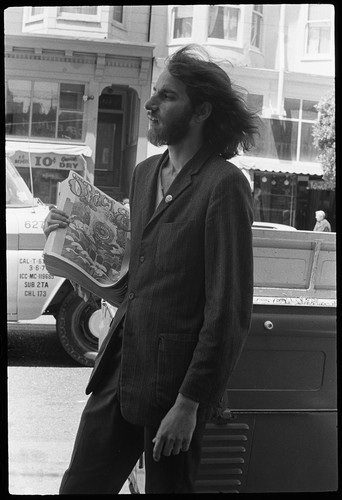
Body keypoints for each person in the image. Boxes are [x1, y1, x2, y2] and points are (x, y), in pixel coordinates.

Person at [43, 44, 259, 494]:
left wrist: (190, 403)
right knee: (78, 487)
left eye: (167, 96)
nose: (151, 104)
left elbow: (229, 312)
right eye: (154, 93)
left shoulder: (224, 186)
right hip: (118, 372)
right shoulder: (144, 175)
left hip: (174, 389)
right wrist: (66, 237)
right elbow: (130, 279)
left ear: (200, 111)